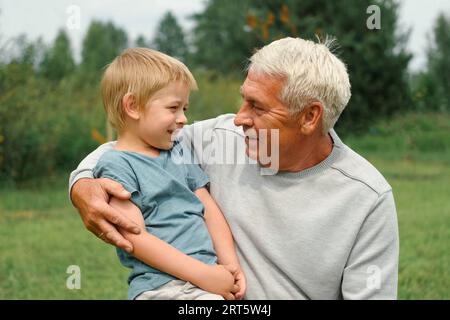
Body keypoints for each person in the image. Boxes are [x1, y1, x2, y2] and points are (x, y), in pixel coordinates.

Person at [70, 37, 399, 299]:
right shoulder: (220, 140)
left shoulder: (366, 197)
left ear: (310, 117)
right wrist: (82, 185)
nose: (239, 117)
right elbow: (129, 147)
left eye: (257, 106)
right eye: (244, 99)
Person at [85, 47, 245, 300]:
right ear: (133, 106)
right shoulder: (116, 165)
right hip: (164, 287)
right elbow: (134, 238)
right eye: (173, 108)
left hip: (204, 281)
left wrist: (230, 266)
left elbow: (208, 209)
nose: (183, 119)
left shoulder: (177, 150)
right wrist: (202, 274)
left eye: (185, 109)